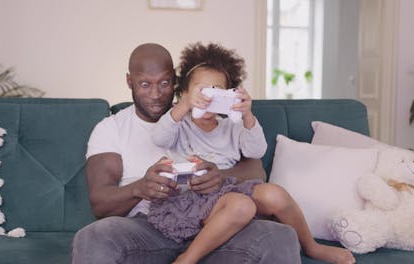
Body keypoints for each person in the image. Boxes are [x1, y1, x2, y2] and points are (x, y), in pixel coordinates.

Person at [71, 43, 302, 264]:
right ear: (129, 82)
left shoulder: (203, 116)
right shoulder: (111, 129)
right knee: (93, 236)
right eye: (144, 84)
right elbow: (100, 204)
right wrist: (140, 188)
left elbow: (256, 170)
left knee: (280, 236)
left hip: (215, 226)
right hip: (148, 229)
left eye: (164, 83)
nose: (156, 94)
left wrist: (219, 176)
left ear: (176, 82)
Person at [147, 42, 356, 264]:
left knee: (275, 194)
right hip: (191, 196)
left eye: (217, 91)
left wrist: (247, 115)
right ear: (184, 93)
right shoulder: (180, 124)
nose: (208, 98)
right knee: (241, 204)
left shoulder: (232, 127)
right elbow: (159, 137)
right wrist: (184, 106)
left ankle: (311, 246)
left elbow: (256, 150)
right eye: (201, 90)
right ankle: (187, 259)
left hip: (226, 190)